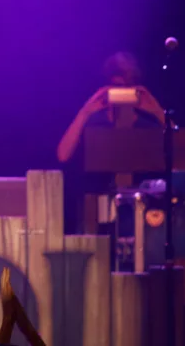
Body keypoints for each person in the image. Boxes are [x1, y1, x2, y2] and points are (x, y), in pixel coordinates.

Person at [56, 51, 166, 233]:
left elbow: (183, 149)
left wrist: (157, 112)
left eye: (128, 86)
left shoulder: (146, 125)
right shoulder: (93, 121)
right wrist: (85, 112)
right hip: (95, 212)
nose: (122, 93)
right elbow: (63, 154)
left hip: (138, 212)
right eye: (116, 86)